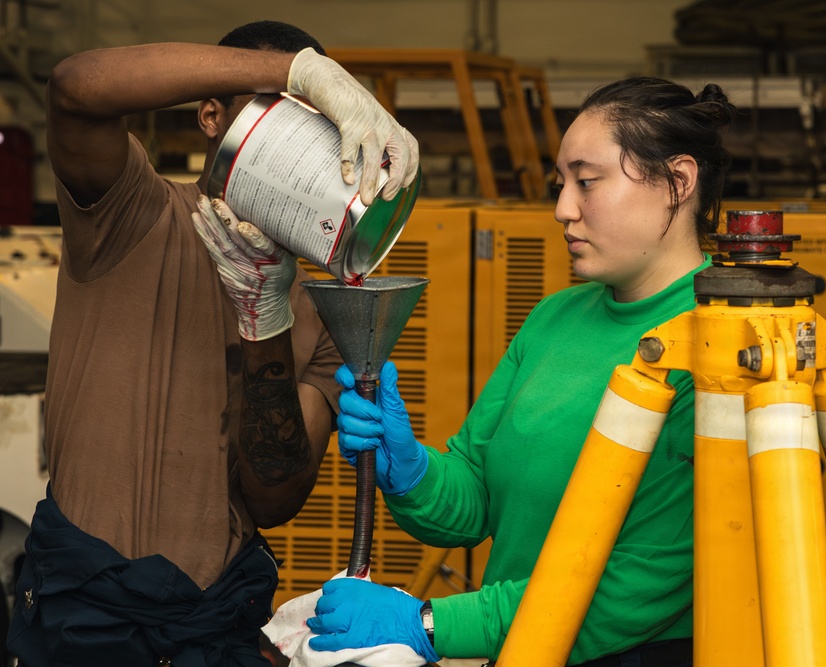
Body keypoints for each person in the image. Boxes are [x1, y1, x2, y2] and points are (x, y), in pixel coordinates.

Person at [6, 20, 419, 666]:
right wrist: (299, 73)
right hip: (86, 618)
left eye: (311, 125)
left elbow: (274, 498)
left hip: (214, 626)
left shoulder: (316, 312)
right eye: (273, 113)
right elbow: (75, 88)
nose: (290, 142)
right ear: (210, 116)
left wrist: (265, 321)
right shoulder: (130, 212)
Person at [306, 76, 736, 666]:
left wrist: (429, 622)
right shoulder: (554, 318)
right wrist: (411, 470)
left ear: (678, 182)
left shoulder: (724, 346)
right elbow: (476, 500)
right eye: (561, 184)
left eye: (587, 181)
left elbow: (637, 590)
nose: (563, 209)